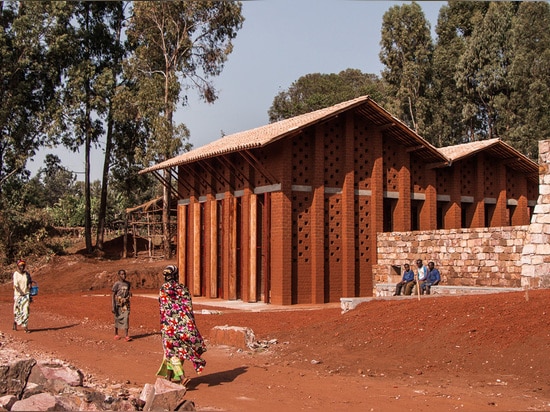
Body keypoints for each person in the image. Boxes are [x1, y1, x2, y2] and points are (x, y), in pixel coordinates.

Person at [157, 264, 206, 385]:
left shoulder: (164, 288)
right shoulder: (183, 288)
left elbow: (163, 308)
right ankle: (168, 379)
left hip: (169, 327)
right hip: (185, 327)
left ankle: (182, 377)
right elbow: (188, 307)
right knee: (178, 351)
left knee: (171, 352)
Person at [112, 269, 132, 341]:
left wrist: (129, 295)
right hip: (118, 304)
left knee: (126, 317)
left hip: (125, 304)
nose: (124, 276)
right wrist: (113, 306)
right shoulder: (117, 284)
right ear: (119, 275)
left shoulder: (128, 284)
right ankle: (116, 334)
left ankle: (126, 335)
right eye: (122, 274)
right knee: (117, 318)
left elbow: (128, 292)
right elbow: (113, 295)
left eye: (124, 274)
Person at [13, 259, 32, 333]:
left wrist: (29, 285)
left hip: (26, 294)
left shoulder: (26, 274)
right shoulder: (16, 274)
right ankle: (15, 322)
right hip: (18, 295)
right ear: (18, 266)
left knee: (26, 310)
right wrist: (21, 292)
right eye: (21, 265)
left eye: (23, 265)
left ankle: (25, 327)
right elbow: (15, 285)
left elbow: (29, 281)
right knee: (18, 310)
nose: (22, 267)